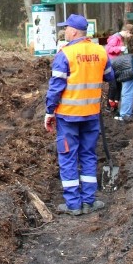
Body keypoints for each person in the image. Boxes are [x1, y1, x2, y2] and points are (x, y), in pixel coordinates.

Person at [44, 14, 114, 216]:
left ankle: (74, 204)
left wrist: (49, 111)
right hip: (91, 114)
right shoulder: (100, 51)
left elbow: (55, 88)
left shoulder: (65, 54)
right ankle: (89, 201)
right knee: (89, 155)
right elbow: (109, 76)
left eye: (66, 28)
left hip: (68, 116)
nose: (64, 31)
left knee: (68, 157)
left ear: (73, 31)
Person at [106, 23, 133, 122]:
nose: (131, 37)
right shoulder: (115, 38)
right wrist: (120, 49)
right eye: (131, 34)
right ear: (127, 31)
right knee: (121, 89)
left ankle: (125, 114)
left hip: (125, 65)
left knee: (126, 91)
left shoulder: (119, 38)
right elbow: (108, 49)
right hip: (124, 65)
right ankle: (119, 109)